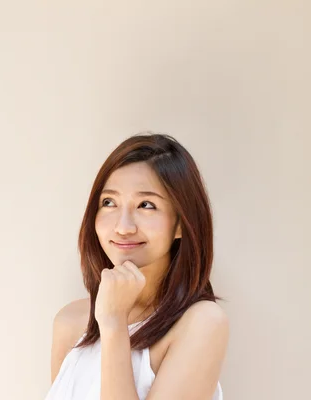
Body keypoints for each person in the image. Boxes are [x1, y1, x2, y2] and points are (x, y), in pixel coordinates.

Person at [44, 132, 228, 400]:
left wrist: (114, 323)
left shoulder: (201, 323)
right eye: (109, 202)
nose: (123, 226)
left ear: (180, 224)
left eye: (146, 205)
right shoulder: (70, 322)